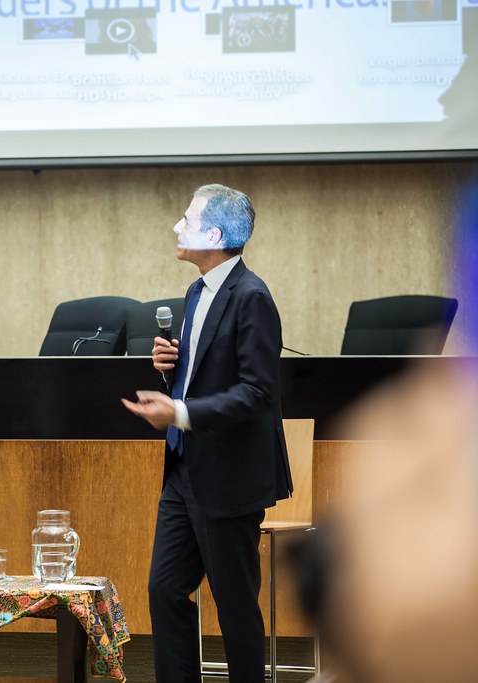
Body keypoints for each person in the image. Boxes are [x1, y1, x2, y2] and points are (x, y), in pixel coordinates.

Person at [122, 184, 293, 683]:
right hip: (184, 471)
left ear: (215, 236)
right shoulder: (197, 292)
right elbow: (202, 377)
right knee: (165, 589)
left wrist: (179, 411)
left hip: (230, 476)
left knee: (234, 605)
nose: (177, 226)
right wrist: (169, 371)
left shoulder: (252, 297)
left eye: (188, 219)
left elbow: (257, 392)